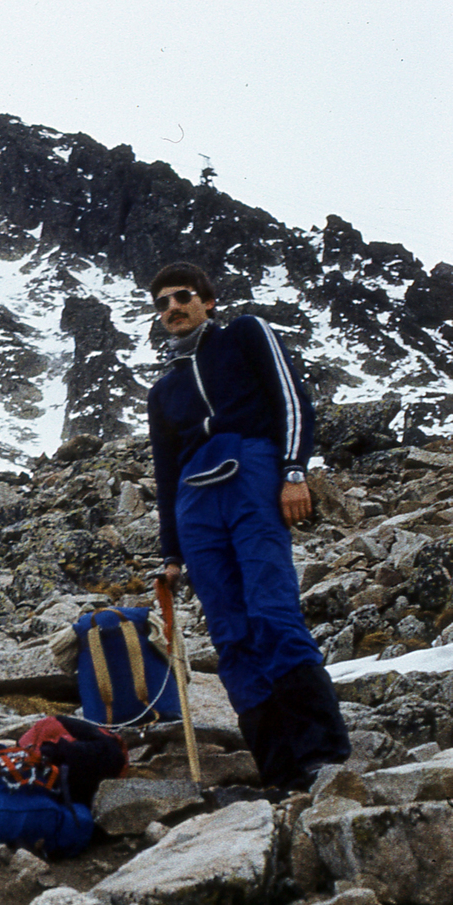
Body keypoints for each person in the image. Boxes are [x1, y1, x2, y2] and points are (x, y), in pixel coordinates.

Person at [146, 262, 350, 792]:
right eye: (162, 303)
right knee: (231, 634)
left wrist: (293, 471)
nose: (172, 308)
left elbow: (291, 400)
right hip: (194, 504)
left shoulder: (245, 334)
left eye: (182, 297)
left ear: (208, 301)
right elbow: (166, 474)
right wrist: (171, 554)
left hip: (252, 475)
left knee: (272, 610)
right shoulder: (163, 388)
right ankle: (279, 770)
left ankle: (322, 753)